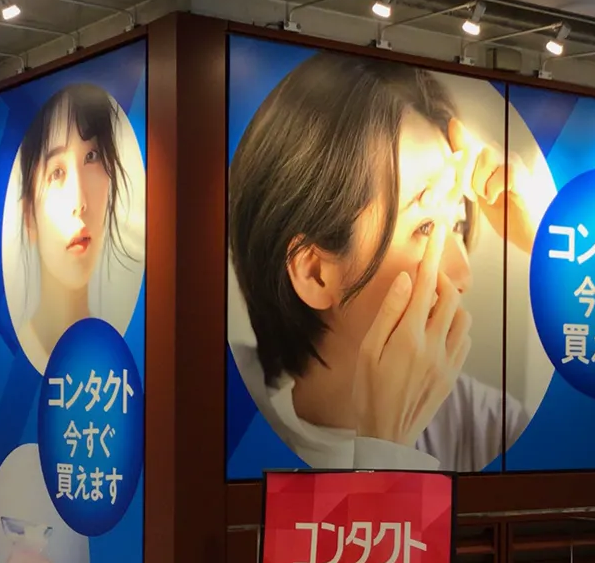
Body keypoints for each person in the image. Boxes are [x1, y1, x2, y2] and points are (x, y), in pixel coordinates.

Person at [229, 53, 541, 472]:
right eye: (426, 226)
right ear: (315, 273)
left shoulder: (488, 428)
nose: (462, 274)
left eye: (458, 223)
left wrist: (549, 238)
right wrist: (387, 445)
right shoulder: (215, 410)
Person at [11, 83, 133, 368]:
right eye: (57, 172)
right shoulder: (15, 357)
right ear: (28, 215)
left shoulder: (115, 350)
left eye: (92, 157)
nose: (79, 202)